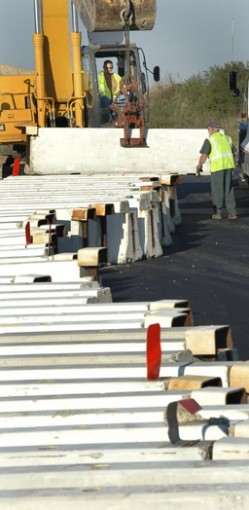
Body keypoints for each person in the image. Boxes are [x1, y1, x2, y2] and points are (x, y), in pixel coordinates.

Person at [196, 120, 237, 220]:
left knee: (217, 190)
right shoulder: (227, 138)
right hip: (229, 166)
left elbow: (204, 154)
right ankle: (232, 213)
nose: (208, 130)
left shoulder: (210, 140)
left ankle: (218, 213)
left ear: (213, 129)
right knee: (229, 190)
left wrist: (199, 165)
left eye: (209, 129)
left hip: (218, 167)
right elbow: (234, 153)